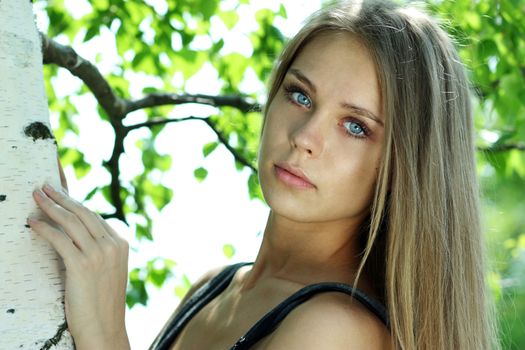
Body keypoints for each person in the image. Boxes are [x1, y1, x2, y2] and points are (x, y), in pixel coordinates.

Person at [27, 0, 499, 349]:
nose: (306, 136)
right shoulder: (215, 288)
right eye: (300, 96)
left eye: (356, 126)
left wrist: (107, 333)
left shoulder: (335, 331)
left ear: (404, 169)